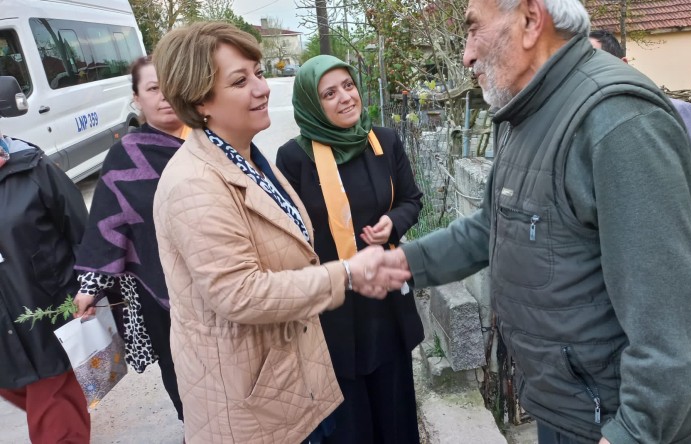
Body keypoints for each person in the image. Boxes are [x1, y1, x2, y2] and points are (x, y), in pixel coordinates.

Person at [382, 1, 691, 443]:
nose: (466, 54)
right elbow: (492, 226)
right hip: (563, 402)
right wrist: (403, 263)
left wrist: (632, 433)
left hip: (608, 421)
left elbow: (671, 325)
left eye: (474, 29)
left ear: (530, 19)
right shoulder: (526, 112)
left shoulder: (616, 120)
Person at [151, 22, 410, 443]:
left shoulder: (250, 160)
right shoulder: (194, 183)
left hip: (290, 378)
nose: (262, 88)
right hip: (253, 398)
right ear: (199, 100)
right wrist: (346, 274)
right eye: (240, 81)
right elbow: (239, 293)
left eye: (258, 73)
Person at [276, 55, 424, 444]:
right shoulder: (294, 159)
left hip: (384, 297)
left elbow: (411, 199)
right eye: (329, 93)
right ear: (311, 104)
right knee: (350, 422)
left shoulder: (383, 141)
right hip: (334, 307)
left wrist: (393, 221)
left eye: (348, 85)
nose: (345, 97)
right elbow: (290, 236)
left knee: (395, 413)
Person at [72, 55, 188, 421]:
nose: (164, 96)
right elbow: (107, 226)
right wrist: (90, 288)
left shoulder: (212, 139)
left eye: (170, 85)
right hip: (159, 291)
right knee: (178, 368)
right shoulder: (125, 156)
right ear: (137, 98)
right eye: (153, 88)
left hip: (223, 277)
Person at [589, 29, 691, 310]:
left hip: (670, 298)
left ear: (623, 64)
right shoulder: (576, 123)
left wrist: (676, 253)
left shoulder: (675, 113)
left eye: (593, 62)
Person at [0, 129, 90, 442]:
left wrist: (89, 286)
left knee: (52, 398)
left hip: (45, 306)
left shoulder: (31, 167)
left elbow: (79, 228)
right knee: (24, 387)